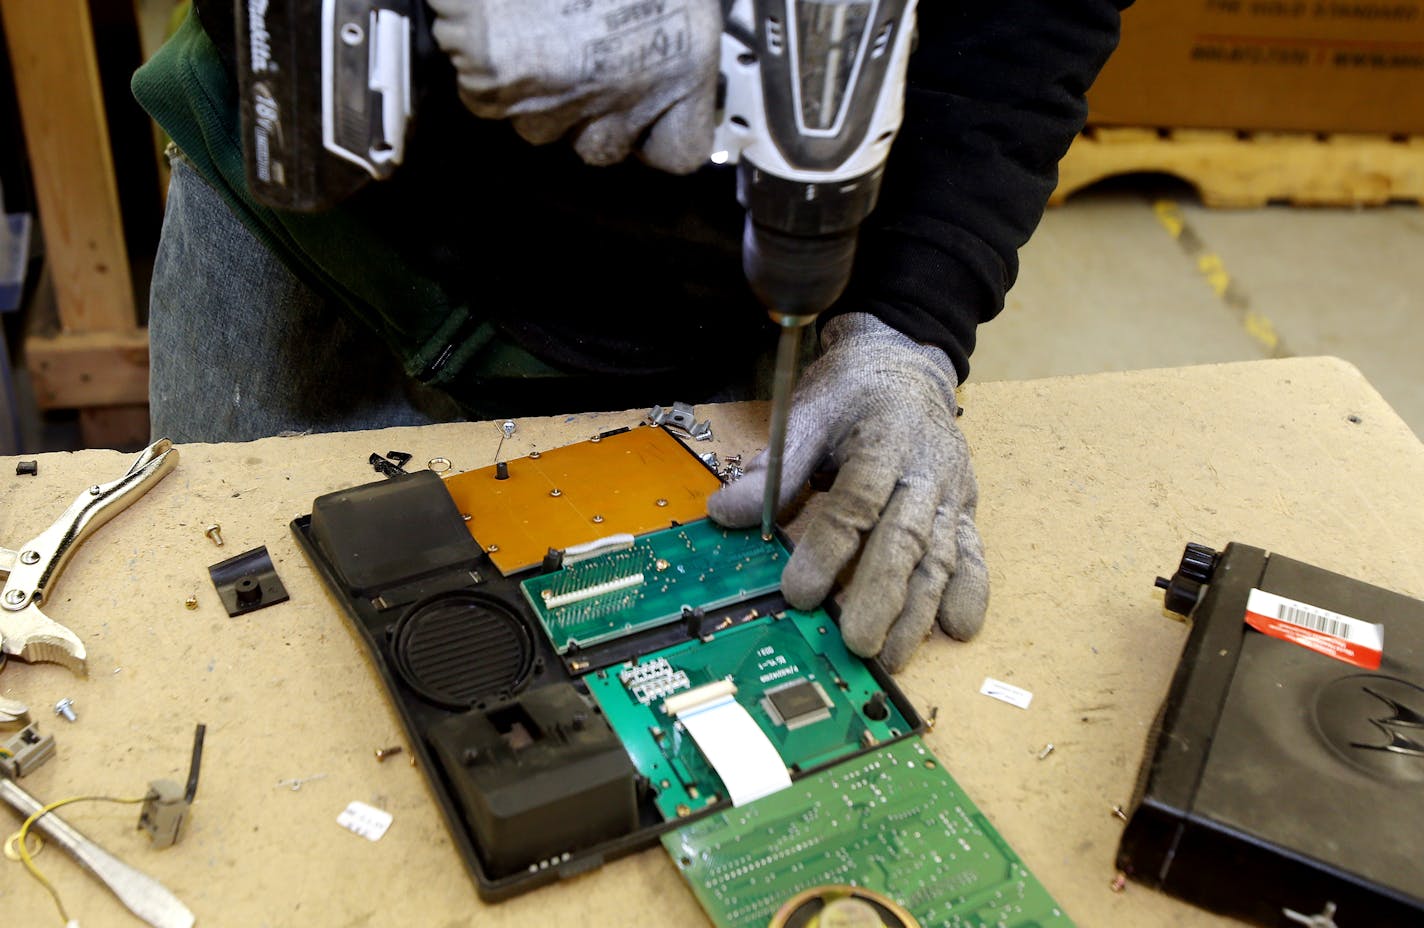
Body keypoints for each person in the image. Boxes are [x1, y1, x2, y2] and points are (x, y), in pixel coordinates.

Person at [133, 0, 1130, 671]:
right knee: (245, 661)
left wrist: (910, 323)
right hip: (316, 239)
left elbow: (1033, 14)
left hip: (697, 298)